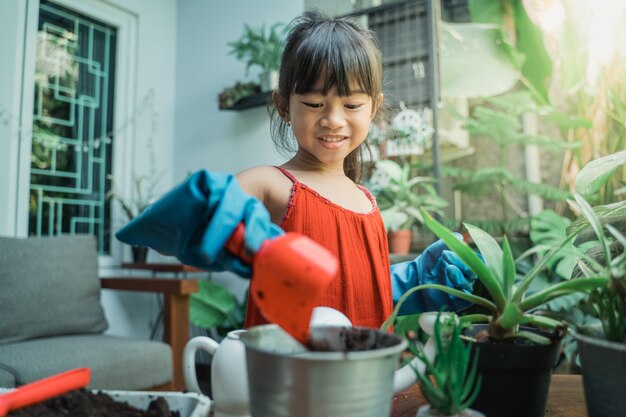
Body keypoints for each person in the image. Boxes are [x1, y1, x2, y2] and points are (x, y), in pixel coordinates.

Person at [116, 11, 476, 330]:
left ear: (373, 108)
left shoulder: (366, 199)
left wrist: (424, 278)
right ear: (283, 105)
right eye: (314, 103)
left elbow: (369, 290)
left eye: (351, 104)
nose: (333, 119)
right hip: (288, 383)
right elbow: (156, 231)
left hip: (367, 382)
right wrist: (203, 207)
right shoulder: (269, 185)